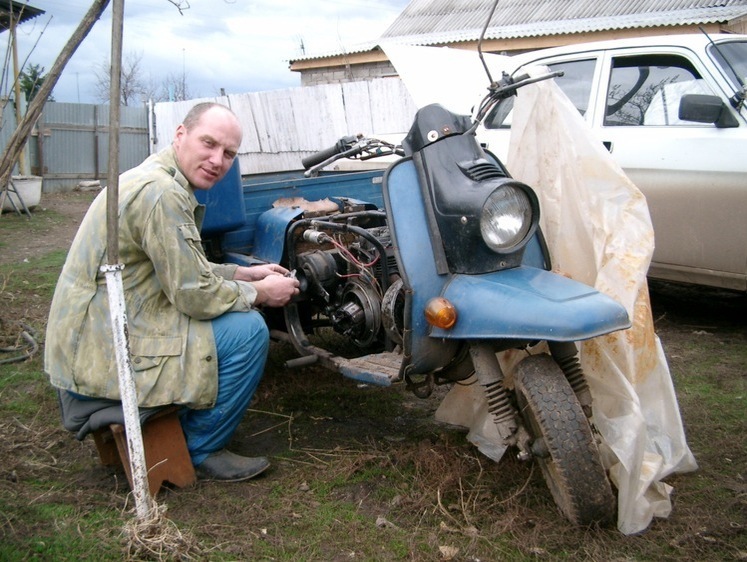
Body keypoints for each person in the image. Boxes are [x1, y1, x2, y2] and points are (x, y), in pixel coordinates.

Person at [45, 102, 299, 482]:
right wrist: (261, 294)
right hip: (104, 348)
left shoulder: (153, 177)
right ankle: (202, 447)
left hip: (94, 336)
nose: (217, 160)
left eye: (228, 153)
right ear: (181, 135)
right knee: (247, 332)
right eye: (208, 144)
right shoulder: (161, 194)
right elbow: (193, 294)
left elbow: (178, 265)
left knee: (237, 315)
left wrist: (244, 273)